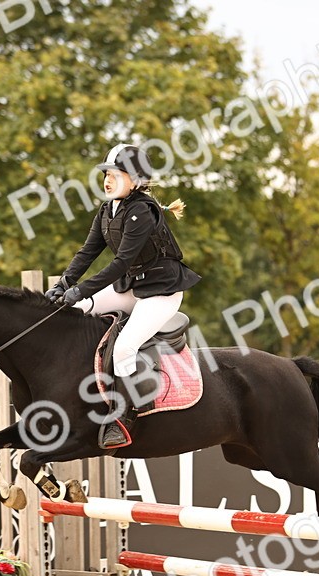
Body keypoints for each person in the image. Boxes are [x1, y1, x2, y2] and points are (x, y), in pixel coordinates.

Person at [48, 143, 200, 449]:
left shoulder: (141, 212)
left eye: (116, 174)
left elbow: (120, 264)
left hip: (162, 292)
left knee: (125, 348)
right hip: (133, 288)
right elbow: (87, 252)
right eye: (106, 173)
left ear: (135, 180)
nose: (107, 179)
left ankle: (124, 419)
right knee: (78, 309)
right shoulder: (107, 210)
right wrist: (65, 284)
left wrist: (82, 288)